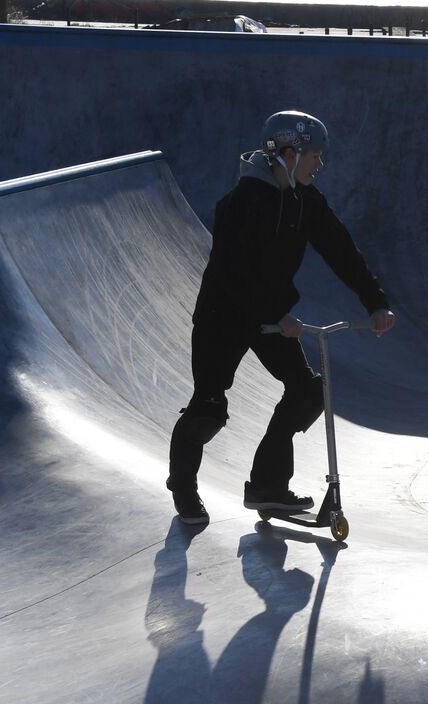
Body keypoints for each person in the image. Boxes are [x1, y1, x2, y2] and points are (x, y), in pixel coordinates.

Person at [166, 110, 395, 525]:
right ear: (289, 154)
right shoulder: (241, 202)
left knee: (308, 391)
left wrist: (375, 301)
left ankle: (267, 487)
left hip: (270, 315)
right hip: (223, 314)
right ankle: (183, 487)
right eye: (314, 157)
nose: (319, 165)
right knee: (209, 407)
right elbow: (235, 272)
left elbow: (341, 250)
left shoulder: (305, 200)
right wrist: (277, 315)